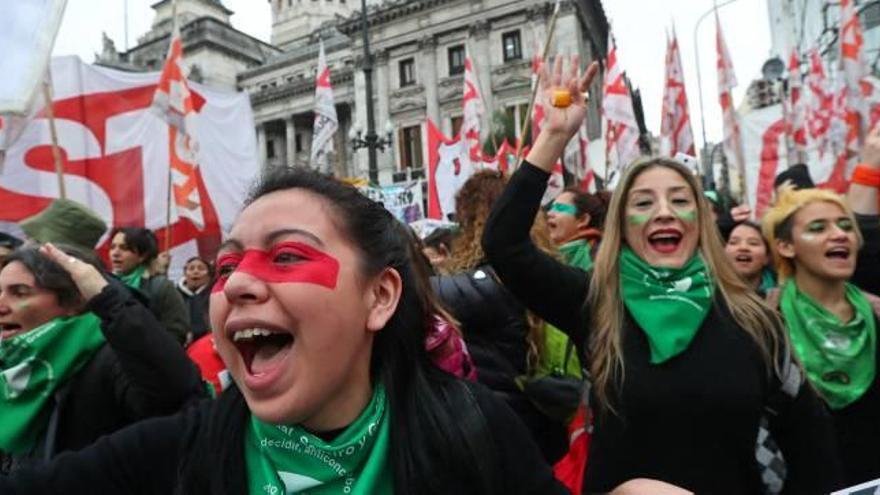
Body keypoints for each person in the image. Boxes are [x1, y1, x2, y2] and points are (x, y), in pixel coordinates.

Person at [0, 167, 565, 494]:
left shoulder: (474, 432)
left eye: (289, 257)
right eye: (226, 267)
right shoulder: (175, 453)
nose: (238, 283)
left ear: (380, 297)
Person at [481, 55, 839, 493]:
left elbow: (810, 446)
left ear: (700, 221)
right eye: (644, 202)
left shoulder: (754, 320)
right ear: (623, 227)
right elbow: (505, 244)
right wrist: (554, 135)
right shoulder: (598, 304)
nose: (665, 212)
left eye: (679, 200)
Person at [0, 244, 204, 473]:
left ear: (74, 301)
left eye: (19, 293)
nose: (2, 304)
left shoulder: (114, 358)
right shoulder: (10, 364)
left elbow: (177, 392)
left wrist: (109, 301)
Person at [761, 134, 880, 485]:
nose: (839, 235)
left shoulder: (875, 315)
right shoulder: (764, 326)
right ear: (785, 246)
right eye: (818, 228)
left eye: (845, 226)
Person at [433, 170, 570, 463]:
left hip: (502, 433)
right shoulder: (546, 273)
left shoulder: (493, 282)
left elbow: (424, 295)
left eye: (462, 222)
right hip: (540, 428)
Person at [108, 227, 190, 344]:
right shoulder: (104, 283)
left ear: (142, 255)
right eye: (112, 247)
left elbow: (176, 332)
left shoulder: (161, 287)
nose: (115, 253)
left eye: (124, 248)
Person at [547, 188, 608, 271]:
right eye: (551, 208)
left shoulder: (599, 258)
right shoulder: (545, 253)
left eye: (560, 208)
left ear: (583, 220)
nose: (549, 213)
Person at [724, 221, 775, 294]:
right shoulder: (710, 289)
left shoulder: (783, 295)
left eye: (753, 243)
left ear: (767, 257)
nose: (743, 247)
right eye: (733, 242)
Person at [177, 256, 213, 342]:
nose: (196, 271)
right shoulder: (175, 295)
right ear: (185, 274)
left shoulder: (214, 295)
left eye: (201, 268)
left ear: (209, 275)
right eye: (191, 268)